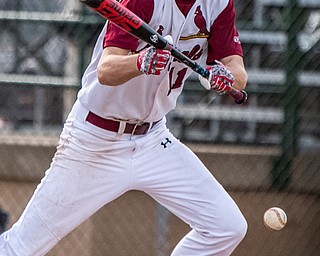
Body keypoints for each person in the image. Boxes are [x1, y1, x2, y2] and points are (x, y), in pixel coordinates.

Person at [0, 0, 248, 255]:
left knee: (227, 227)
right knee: (21, 247)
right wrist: (140, 62)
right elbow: (106, 70)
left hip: (153, 140)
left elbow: (238, 71)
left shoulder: (217, 4)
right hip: (95, 141)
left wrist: (227, 77)